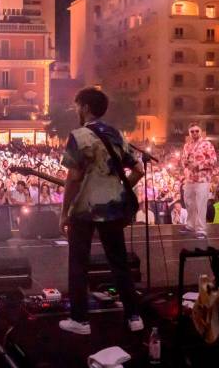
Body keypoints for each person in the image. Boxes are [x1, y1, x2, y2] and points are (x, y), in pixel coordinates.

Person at [59, 87, 145, 336]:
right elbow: (138, 169)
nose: (76, 110)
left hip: (84, 208)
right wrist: (118, 189)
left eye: (77, 106)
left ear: (85, 107)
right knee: (119, 262)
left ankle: (80, 320)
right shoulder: (117, 134)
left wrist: (64, 212)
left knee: (78, 263)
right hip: (113, 208)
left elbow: (73, 179)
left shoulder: (79, 136)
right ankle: (134, 316)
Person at [180, 122, 217, 240]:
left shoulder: (207, 144)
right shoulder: (186, 146)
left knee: (201, 204)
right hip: (189, 179)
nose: (194, 133)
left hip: (202, 179)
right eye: (192, 131)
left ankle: (201, 229)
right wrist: (184, 163)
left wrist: (199, 165)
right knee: (188, 202)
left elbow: (214, 160)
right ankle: (190, 225)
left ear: (200, 131)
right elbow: (183, 160)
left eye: (196, 131)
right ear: (189, 133)